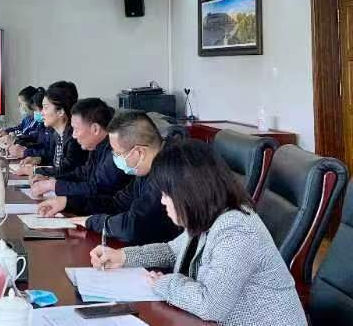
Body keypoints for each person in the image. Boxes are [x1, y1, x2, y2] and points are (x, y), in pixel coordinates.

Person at [90, 140, 306, 326]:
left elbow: (210, 305)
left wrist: (163, 283)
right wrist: (123, 256)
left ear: (188, 193)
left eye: (166, 194)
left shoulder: (236, 231)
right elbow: (172, 250)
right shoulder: (209, 216)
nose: (163, 201)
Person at [38, 109, 180, 245]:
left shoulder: (169, 172)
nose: (115, 158)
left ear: (139, 153)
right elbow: (117, 204)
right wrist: (68, 202)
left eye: (118, 153)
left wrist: (91, 222)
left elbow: (132, 226)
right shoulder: (145, 168)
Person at [30, 98, 131, 199]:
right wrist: (51, 179)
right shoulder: (96, 146)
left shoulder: (115, 152)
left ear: (95, 129)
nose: (73, 135)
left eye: (76, 129)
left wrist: (53, 186)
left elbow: (98, 189)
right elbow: (82, 174)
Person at [15, 85, 86, 178]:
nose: (41, 113)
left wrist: (34, 170)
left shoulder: (74, 138)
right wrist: (38, 159)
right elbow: (53, 158)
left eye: (45, 108)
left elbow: (65, 170)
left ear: (60, 112)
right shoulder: (56, 134)